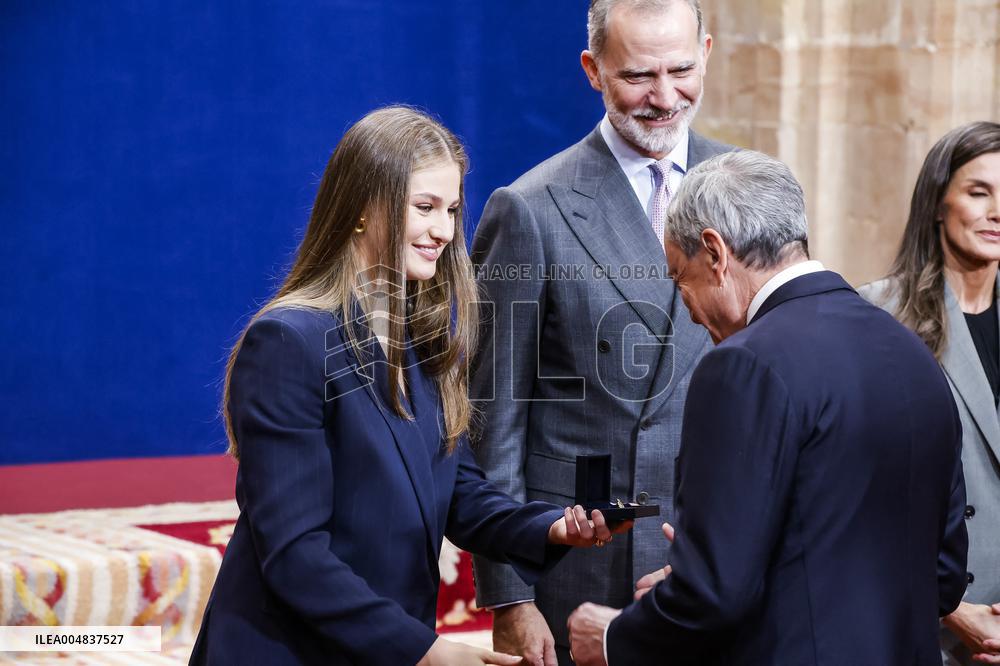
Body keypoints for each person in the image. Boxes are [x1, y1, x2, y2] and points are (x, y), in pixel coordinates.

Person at [189, 106, 628, 666]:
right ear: (361, 209)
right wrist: (429, 652)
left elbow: (461, 493)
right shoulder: (287, 341)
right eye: (424, 208)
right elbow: (295, 555)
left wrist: (554, 528)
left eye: (450, 209)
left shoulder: (421, 343)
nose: (445, 231)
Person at [567, 150, 970, 665]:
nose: (687, 307)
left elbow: (715, 597)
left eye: (678, 276)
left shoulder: (742, 366)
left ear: (714, 251)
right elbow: (942, 577)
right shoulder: (911, 351)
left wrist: (612, 637)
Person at [470, 2, 731, 663]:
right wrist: (510, 597)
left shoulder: (749, 189)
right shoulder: (530, 208)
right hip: (580, 565)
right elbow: (493, 419)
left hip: (714, 557)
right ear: (593, 70)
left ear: (707, 50)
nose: (665, 97)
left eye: (681, 69)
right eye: (639, 75)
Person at [859, 121, 1000, 665]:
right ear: (939, 203)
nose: (995, 211)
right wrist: (951, 607)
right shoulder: (878, 315)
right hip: (924, 626)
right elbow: (858, 490)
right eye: (978, 191)